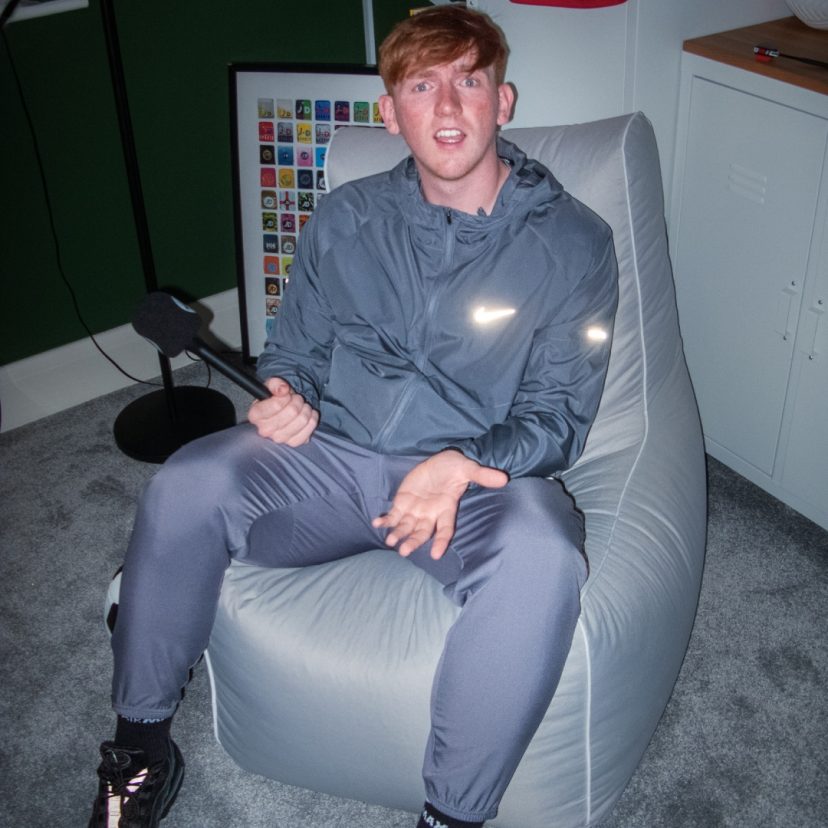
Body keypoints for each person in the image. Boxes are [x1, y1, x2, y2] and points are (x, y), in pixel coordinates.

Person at [89, 6, 618, 828]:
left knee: (543, 556)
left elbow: (560, 416)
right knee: (189, 482)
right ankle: (141, 748)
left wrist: (460, 463)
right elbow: (293, 351)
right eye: (422, 86)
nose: (449, 106)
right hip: (331, 463)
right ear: (390, 112)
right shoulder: (344, 217)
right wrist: (284, 395)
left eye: (469, 81)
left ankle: (453, 815)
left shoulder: (577, 243)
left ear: (503, 101)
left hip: (470, 485)